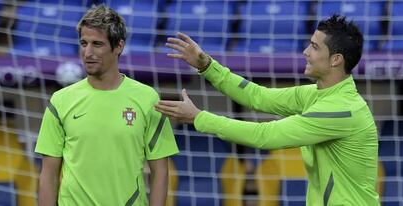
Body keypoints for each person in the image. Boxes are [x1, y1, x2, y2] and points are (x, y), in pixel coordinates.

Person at [155, 14, 379, 205]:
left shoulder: (341, 109)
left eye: (314, 46)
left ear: (336, 60)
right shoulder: (316, 94)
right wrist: (207, 66)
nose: (305, 52)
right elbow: (258, 96)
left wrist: (199, 118)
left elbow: (266, 136)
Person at [35, 5, 179, 206]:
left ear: (118, 46)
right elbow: (49, 173)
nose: (88, 52)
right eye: (83, 43)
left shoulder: (147, 99)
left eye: (97, 44)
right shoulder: (60, 101)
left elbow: (160, 170)